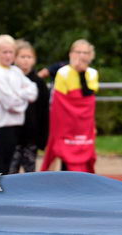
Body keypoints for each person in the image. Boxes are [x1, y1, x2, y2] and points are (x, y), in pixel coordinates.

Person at [41, 39, 98, 173]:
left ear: (90, 55)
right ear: (71, 54)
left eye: (85, 53)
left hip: (83, 122)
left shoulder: (92, 73)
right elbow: (61, 101)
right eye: (78, 52)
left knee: (84, 153)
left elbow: (88, 95)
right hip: (67, 120)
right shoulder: (63, 72)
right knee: (66, 153)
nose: (81, 56)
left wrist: (82, 73)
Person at [0, 35, 37, 176]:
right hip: (2, 125)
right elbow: (10, 103)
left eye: (11, 52)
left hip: (15, 124)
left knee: (10, 163)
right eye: (4, 52)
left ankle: (3, 188)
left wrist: (18, 94)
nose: (8, 56)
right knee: (4, 164)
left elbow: (33, 91)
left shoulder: (15, 71)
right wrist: (23, 99)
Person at [9, 40, 49, 173]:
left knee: (30, 172)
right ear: (15, 58)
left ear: (34, 60)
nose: (26, 60)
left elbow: (44, 112)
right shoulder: (8, 80)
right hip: (13, 135)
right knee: (10, 172)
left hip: (31, 137)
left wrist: (43, 138)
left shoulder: (39, 83)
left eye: (29, 57)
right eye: (22, 56)